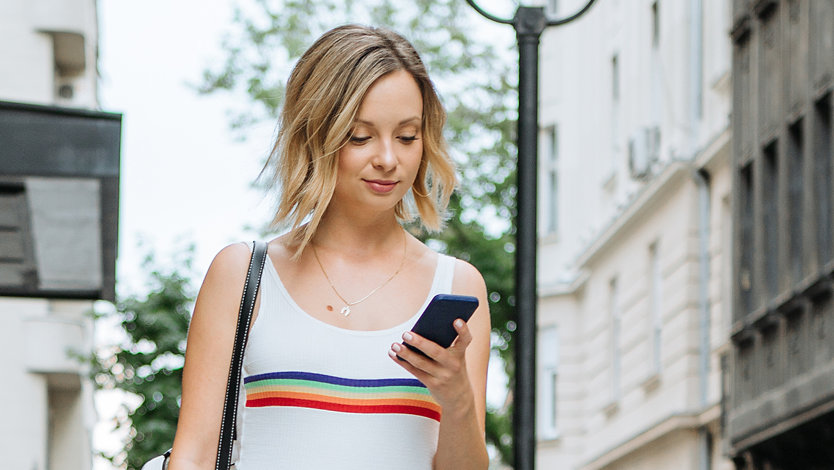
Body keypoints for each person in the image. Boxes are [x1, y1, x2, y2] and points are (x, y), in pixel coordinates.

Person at [168, 24, 491, 470]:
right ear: (315, 134)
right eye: (360, 136)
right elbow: (193, 458)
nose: (388, 158)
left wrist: (456, 400)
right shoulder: (243, 275)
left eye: (407, 136)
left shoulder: (456, 284)